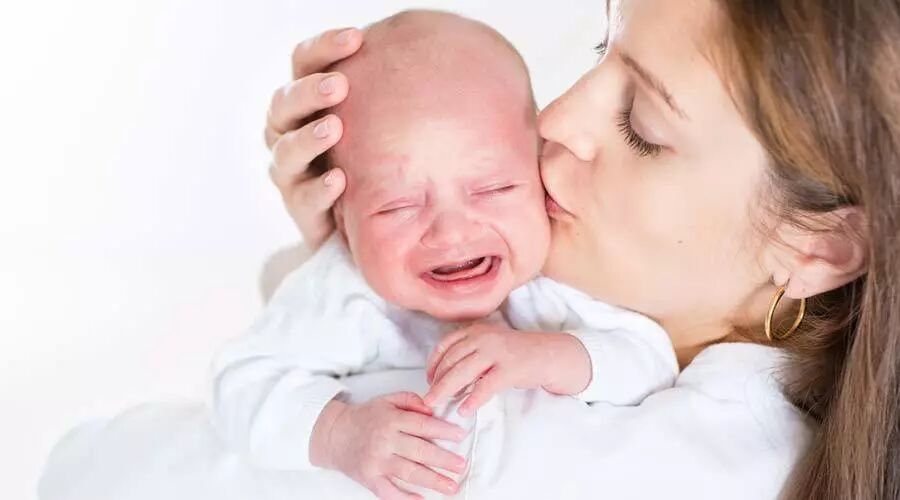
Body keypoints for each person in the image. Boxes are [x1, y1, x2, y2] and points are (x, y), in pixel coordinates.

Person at [266, 0, 900, 498]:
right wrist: (354, 247)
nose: (553, 120)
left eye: (642, 127)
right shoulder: (577, 304)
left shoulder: (683, 469)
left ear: (820, 247)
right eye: (603, 52)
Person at [213, 11, 677, 499]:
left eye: (494, 189)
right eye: (398, 206)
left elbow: (651, 360)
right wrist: (338, 433)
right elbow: (240, 383)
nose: (452, 233)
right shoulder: (342, 292)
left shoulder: (555, 276)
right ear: (342, 222)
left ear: (541, 169)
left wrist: (547, 356)